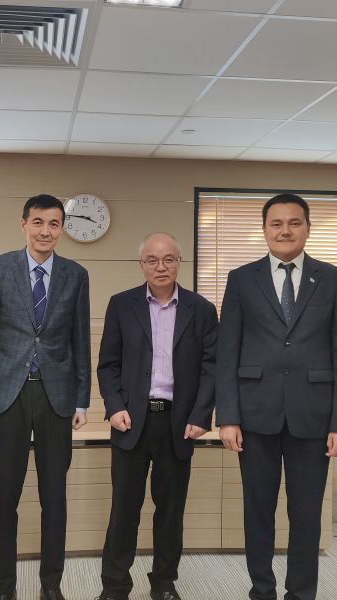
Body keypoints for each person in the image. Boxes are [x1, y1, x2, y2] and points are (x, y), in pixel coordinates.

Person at [215, 194, 337, 600]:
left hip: (314, 418)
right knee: (257, 512)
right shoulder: (242, 278)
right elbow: (228, 351)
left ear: (308, 228)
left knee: (307, 515)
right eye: (276, 223)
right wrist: (228, 416)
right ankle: (261, 590)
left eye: (294, 222)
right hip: (254, 415)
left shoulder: (333, 280)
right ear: (264, 230)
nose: (285, 230)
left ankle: (301, 593)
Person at [0, 194, 91, 600]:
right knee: (5, 495)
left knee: (53, 497)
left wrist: (81, 400)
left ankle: (51, 587)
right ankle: (4, 589)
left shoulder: (76, 274)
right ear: (23, 224)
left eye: (54, 224)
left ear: (62, 229)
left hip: (57, 397)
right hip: (8, 394)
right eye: (38, 222)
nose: (46, 231)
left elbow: (79, 339)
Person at [94, 233, 217, 600]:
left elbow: (213, 367)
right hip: (131, 421)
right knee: (124, 511)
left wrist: (200, 415)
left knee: (170, 512)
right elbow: (108, 364)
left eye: (168, 259)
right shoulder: (121, 304)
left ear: (179, 262)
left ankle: (163, 584)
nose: (160, 266)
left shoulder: (202, 309)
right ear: (141, 265)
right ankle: (115, 586)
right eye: (152, 260)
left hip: (178, 425)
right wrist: (114, 406)